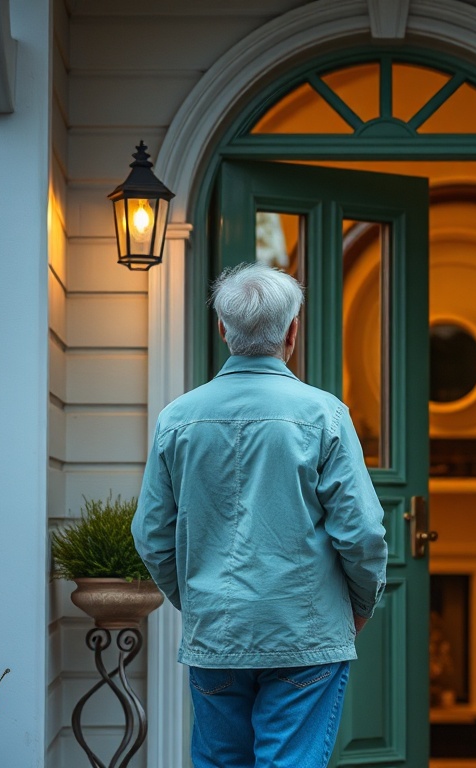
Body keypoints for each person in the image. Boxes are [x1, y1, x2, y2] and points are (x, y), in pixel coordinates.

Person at [132, 261, 388, 768]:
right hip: (305, 631)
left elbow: (151, 533)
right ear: (293, 331)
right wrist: (360, 605)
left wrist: (195, 597)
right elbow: (362, 532)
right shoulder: (324, 415)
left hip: (217, 633)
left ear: (222, 328)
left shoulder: (177, 418)